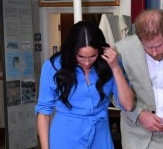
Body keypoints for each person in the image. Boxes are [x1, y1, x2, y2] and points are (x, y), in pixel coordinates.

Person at [35, 21, 134, 149]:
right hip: (65, 137)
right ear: (72, 50)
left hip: (100, 137)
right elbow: (43, 112)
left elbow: (128, 105)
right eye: (81, 56)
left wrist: (115, 67)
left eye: (93, 56)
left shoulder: (110, 63)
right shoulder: (53, 66)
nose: (87, 62)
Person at [115, 9, 163, 149]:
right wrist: (138, 114)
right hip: (138, 136)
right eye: (148, 48)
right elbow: (114, 92)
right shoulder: (122, 50)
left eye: (159, 46)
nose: (155, 53)